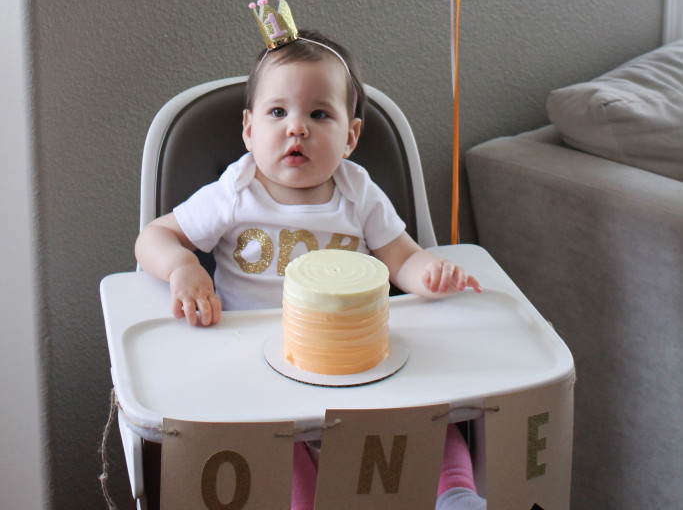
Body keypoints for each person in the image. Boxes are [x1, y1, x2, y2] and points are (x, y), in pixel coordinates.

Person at [136, 25, 486, 510]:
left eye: (319, 114)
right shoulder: (234, 194)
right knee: (274, 439)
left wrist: (430, 274)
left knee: (431, 411)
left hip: (357, 358)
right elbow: (153, 236)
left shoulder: (357, 192)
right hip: (259, 363)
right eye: (278, 112)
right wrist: (180, 267)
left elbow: (401, 257)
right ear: (249, 129)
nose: (296, 127)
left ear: (351, 136)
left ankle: (456, 494)